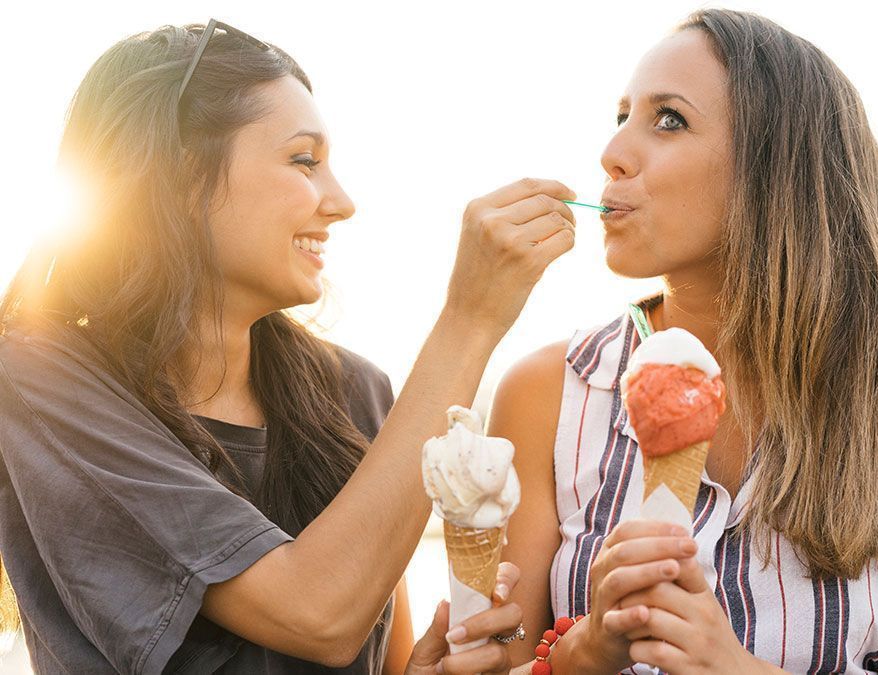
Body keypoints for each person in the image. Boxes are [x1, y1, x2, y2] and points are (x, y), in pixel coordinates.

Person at [0, 21, 577, 674]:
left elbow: (380, 659)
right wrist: (471, 317)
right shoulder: (41, 383)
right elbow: (318, 615)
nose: (342, 203)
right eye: (304, 160)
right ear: (186, 177)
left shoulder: (355, 390)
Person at [491, 9, 878, 674]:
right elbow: (488, 660)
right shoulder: (544, 395)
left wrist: (729, 667)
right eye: (622, 116)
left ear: (773, 167)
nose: (613, 151)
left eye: (668, 119)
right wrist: (582, 653)